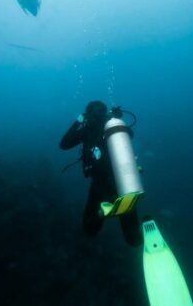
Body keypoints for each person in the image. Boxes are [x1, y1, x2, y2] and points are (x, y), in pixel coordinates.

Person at [60, 100, 142, 247]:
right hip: (122, 179)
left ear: (87, 114)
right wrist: (117, 120)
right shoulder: (111, 125)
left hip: (99, 182)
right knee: (133, 238)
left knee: (89, 230)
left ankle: (101, 213)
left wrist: (78, 121)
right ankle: (138, 233)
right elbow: (130, 135)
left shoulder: (87, 129)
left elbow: (64, 144)